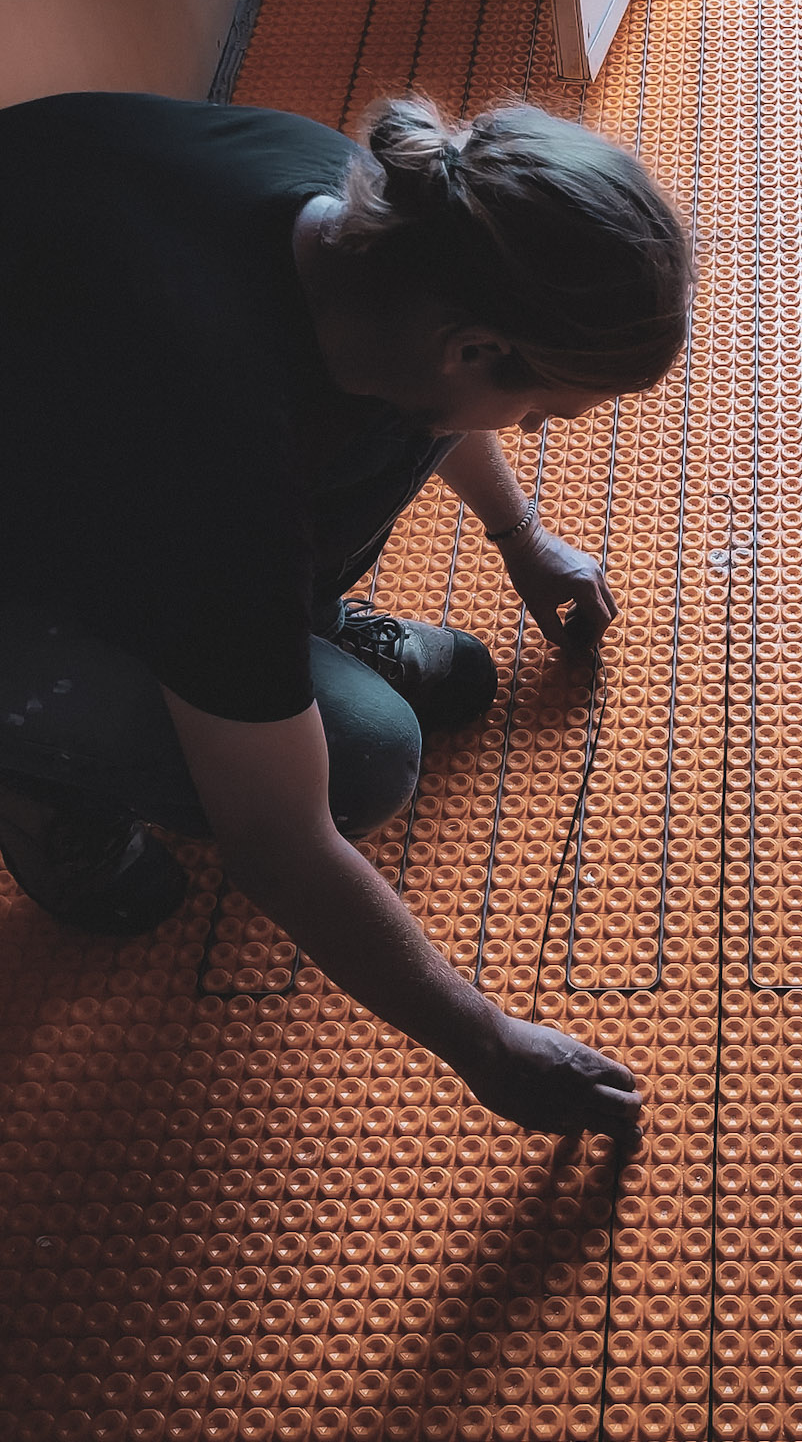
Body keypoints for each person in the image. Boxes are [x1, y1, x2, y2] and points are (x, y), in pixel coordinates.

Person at [0, 89, 695, 1139]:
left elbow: (435, 388)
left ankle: (282, 630)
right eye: (543, 407)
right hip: (77, 524)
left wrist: (521, 536)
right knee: (364, 759)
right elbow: (276, 841)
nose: (533, 427)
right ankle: (42, 779)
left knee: (389, 410)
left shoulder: (389, 220)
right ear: (477, 349)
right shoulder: (212, 457)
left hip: (83, 429)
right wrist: (485, 1041)